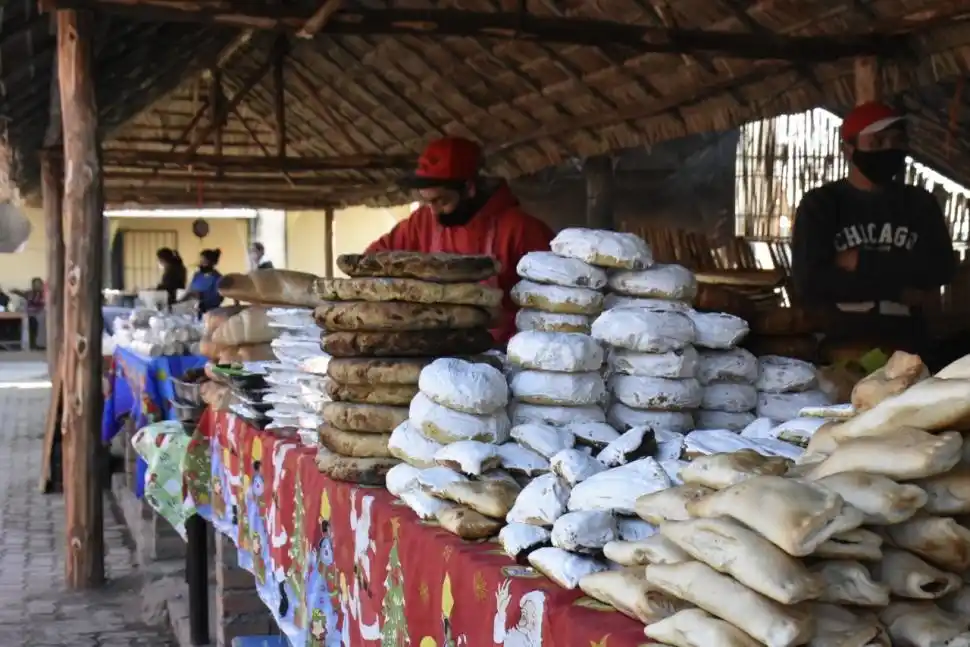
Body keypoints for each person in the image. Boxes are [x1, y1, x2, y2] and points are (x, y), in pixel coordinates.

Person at [366, 136, 554, 345]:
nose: (434, 211)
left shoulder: (520, 229)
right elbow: (371, 262)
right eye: (427, 202)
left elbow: (554, 301)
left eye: (442, 201)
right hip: (434, 352)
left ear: (469, 188)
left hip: (504, 355)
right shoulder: (421, 222)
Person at [791, 101, 955, 316]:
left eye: (896, 141)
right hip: (838, 339)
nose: (888, 148)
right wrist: (898, 290)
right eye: (877, 142)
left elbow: (940, 269)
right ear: (848, 150)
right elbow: (811, 282)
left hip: (909, 340)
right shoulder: (821, 204)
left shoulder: (920, 203)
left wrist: (860, 261)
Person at [183, 249, 224, 316]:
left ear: (213, 262)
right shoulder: (197, 275)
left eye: (204, 261)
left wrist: (201, 302)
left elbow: (218, 299)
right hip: (191, 311)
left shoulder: (218, 278)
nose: (201, 264)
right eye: (201, 260)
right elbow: (189, 292)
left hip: (210, 314)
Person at [12, 278, 45, 349]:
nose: (37, 286)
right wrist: (16, 291)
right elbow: (23, 294)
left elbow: (41, 302)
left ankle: (40, 344)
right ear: (32, 285)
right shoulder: (30, 293)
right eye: (35, 284)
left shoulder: (45, 293)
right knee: (32, 323)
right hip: (31, 314)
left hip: (41, 313)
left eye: (39, 284)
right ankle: (33, 345)